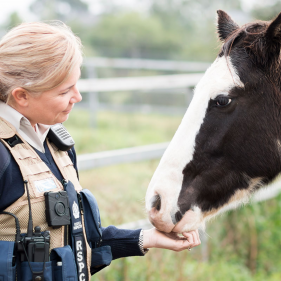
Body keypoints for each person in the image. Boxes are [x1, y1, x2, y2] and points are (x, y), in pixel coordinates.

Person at [0, 21, 201, 280]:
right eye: (64, 91)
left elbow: (77, 243)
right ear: (21, 96)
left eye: (76, 84)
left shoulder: (54, 142)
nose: (78, 97)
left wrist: (147, 238)